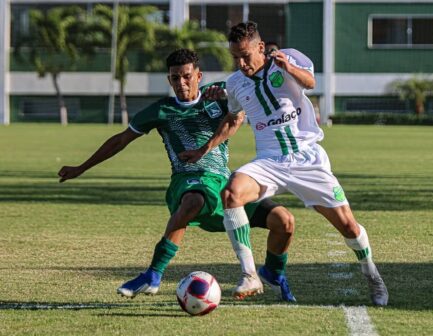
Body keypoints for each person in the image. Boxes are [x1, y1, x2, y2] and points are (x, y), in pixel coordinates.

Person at [57, 48, 297, 302]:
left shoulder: (220, 93)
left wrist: (272, 59)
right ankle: (153, 275)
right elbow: (120, 140)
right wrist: (81, 167)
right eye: (175, 78)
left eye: (186, 76)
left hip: (224, 184)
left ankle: (273, 271)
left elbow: (251, 89)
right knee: (193, 201)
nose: (181, 83)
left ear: (199, 75)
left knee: (284, 221)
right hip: (187, 179)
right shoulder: (161, 110)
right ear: (169, 79)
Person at [180, 22, 389, 306]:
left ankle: (372, 275)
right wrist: (204, 148)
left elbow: (311, 83)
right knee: (231, 194)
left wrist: (286, 67)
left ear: (261, 48)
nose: (241, 63)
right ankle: (250, 274)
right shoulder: (236, 83)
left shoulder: (287, 60)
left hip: (307, 159)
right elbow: (232, 119)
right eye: (235, 58)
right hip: (269, 161)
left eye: (246, 56)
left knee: (349, 227)